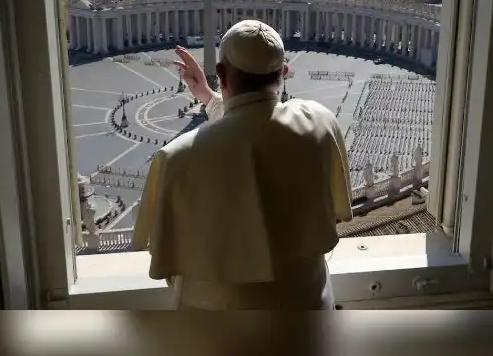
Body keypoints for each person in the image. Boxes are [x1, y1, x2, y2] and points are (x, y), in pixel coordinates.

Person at [131, 20, 353, 310]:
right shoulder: (321, 122)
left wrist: (211, 95)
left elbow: (169, 263)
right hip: (309, 314)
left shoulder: (176, 158)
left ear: (221, 74)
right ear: (284, 71)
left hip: (214, 325)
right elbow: (256, 121)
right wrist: (207, 97)